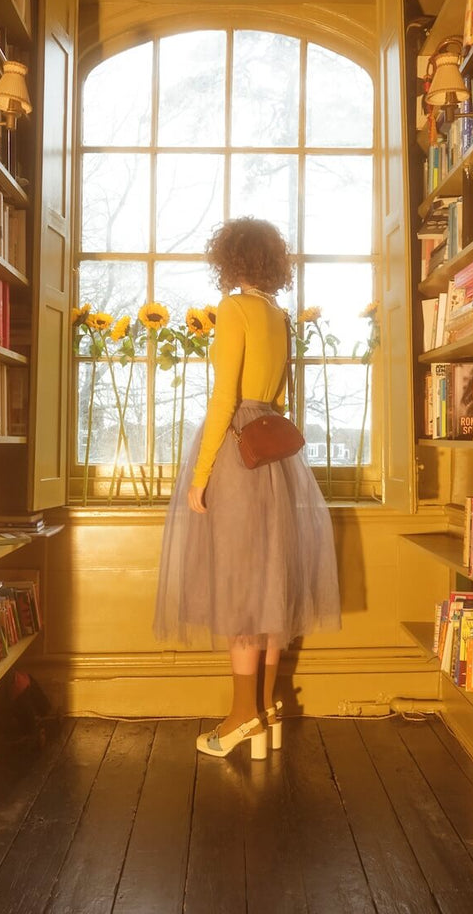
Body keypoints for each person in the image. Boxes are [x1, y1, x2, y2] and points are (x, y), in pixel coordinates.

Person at [153, 217, 341, 759]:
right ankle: (267, 705)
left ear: (230, 260)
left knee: (240, 585)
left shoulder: (235, 310)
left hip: (239, 452)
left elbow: (223, 400)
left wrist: (200, 471)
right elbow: (272, 391)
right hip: (274, 452)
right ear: (273, 262)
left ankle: (242, 717)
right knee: (271, 580)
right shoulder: (278, 315)